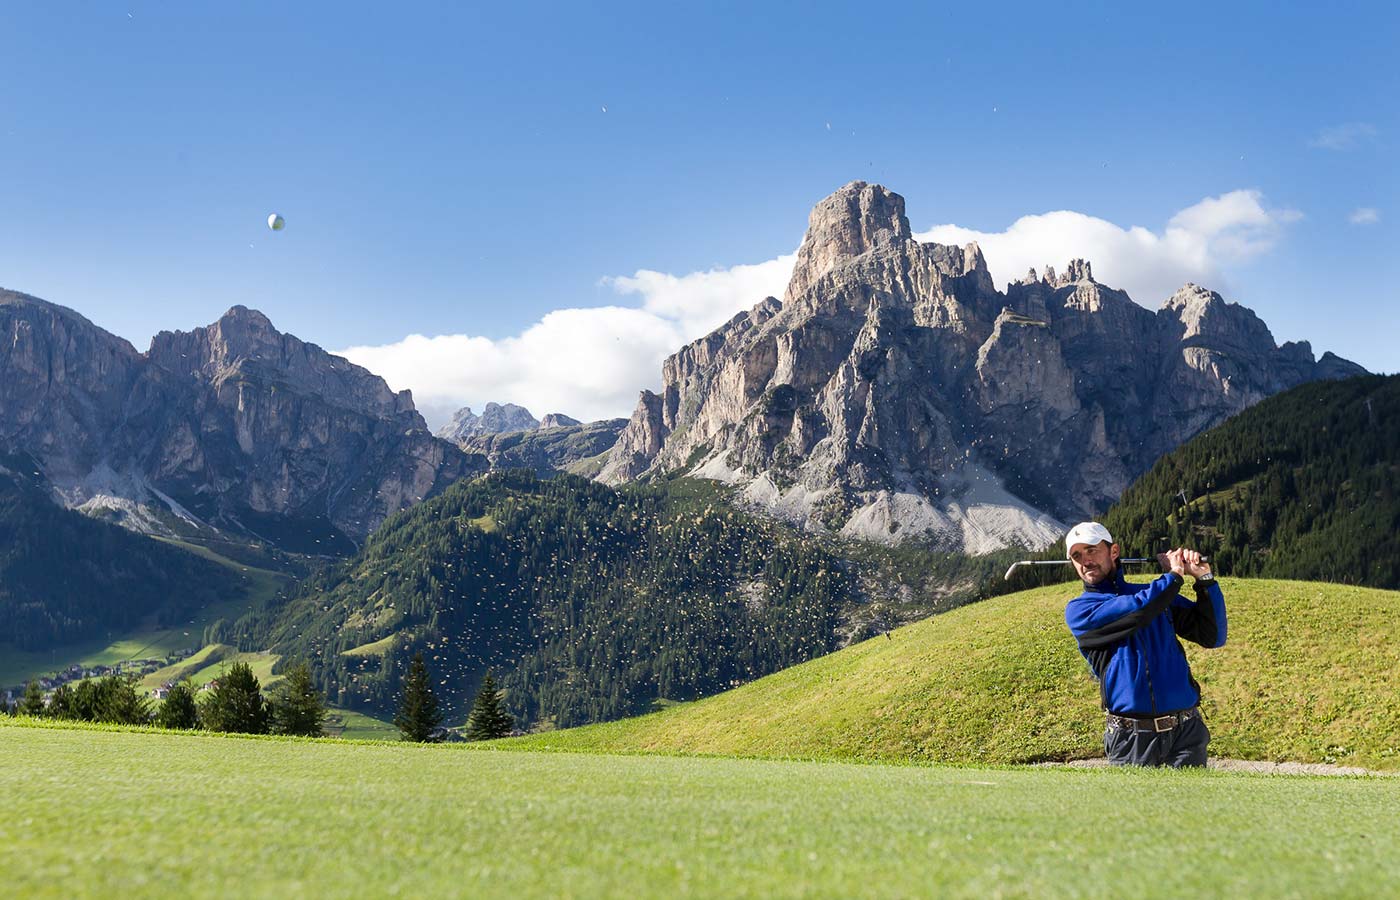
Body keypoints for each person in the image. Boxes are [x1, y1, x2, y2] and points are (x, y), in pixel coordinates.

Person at [1062, 521, 1227, 768]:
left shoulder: (1159, 596)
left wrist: (1205, 580)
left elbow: (1212, 636)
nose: (1085, 560)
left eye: (1092, 550)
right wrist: (1172, 575)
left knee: (1193, 808)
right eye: (1077, 555)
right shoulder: (1081, 610)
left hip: (1186, 734)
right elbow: (1138, 610)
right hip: (1132, 739)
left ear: (1113, 551)